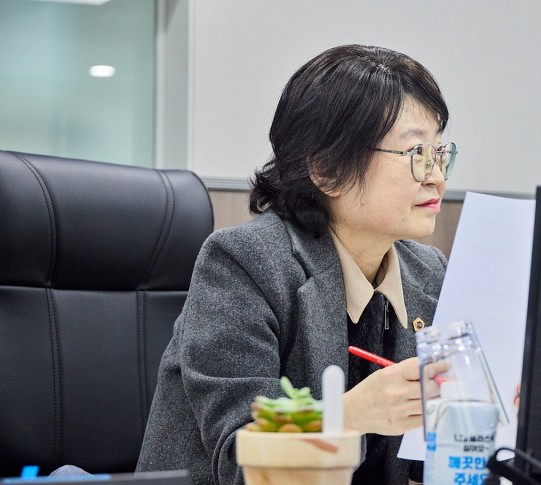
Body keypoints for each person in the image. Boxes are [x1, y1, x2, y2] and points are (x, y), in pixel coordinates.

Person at [136, 44, 457, 485]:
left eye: (440, 153)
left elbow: (423, 459)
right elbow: (240, 460)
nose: (436, 175)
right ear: (327, 170)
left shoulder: (428, 273)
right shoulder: (244, 264)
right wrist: (349, 416)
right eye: (417, 153)